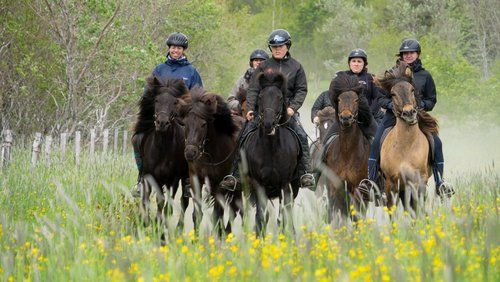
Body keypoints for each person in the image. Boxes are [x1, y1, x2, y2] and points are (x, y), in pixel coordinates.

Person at [221, 29, 315, 189]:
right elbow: (253, 90)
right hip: (262, 113)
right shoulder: (263, 66)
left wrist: (292, 108)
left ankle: (305, 172)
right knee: (244, 134)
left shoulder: (296, 67)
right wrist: (250, 109)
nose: (277, 49)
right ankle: (235, 175)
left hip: (286, 113)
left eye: (280, 46)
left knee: (301, 135)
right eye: (273, 46)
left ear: (288, 46)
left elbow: (301, 90)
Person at [360, 39, 454, 197]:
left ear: (418, 54)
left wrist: (422, 104)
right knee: (377, 141)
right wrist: (391, 106)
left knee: (436, 141)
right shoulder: (392, 74)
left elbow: (432, 99)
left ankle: (440, 182)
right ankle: (371, 182)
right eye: (405, 53)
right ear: (401, 55)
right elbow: (381, 99)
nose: (408, 56)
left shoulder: (425, 75)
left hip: (418, 115)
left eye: (411, 53)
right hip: (393, 115)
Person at [132, 32, 203, 195]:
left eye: (178, 48)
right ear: (169, 49)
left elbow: (198, 94)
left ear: (183, 50)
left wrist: (186, 108)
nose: (175, 50)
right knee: (137, 139)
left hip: (180, 117)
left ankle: (187, 178)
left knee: (192, 140)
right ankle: (142, 175)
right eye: (173, 48)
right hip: (159, 115)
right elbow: (147, 94)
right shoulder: (159, 69)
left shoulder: (191, 71)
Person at [228, 49, 269, 115]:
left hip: (266, 114)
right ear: (251, 63)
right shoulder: (242, 80)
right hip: (245, 114)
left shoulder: (272, 78)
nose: (258, 62)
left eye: (261, 60)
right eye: (256, 60)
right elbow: (230, 101)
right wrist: (241, 105)